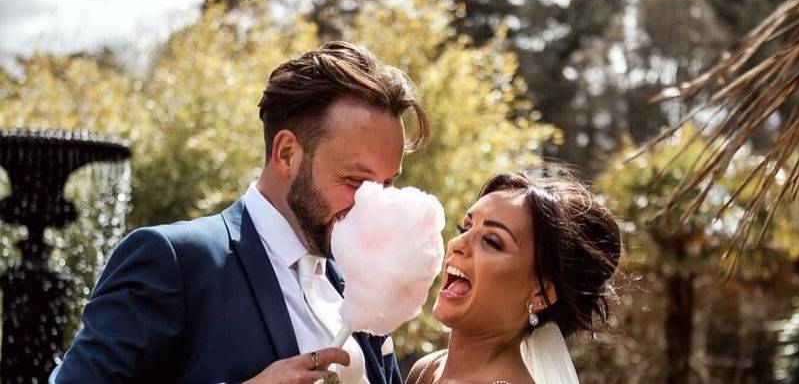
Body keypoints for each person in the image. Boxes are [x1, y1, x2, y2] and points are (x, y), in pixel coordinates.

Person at [52, 41, 430, 384]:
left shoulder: (362, 284)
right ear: (287, 154)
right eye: (355, 180)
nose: (374, 204)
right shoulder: (175, 261)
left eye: (386, 185)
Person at [408, 168, 621, 384]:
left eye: (492, 241)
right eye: (465, 228)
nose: (456, 244)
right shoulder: (426, 370)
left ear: (541, 292)